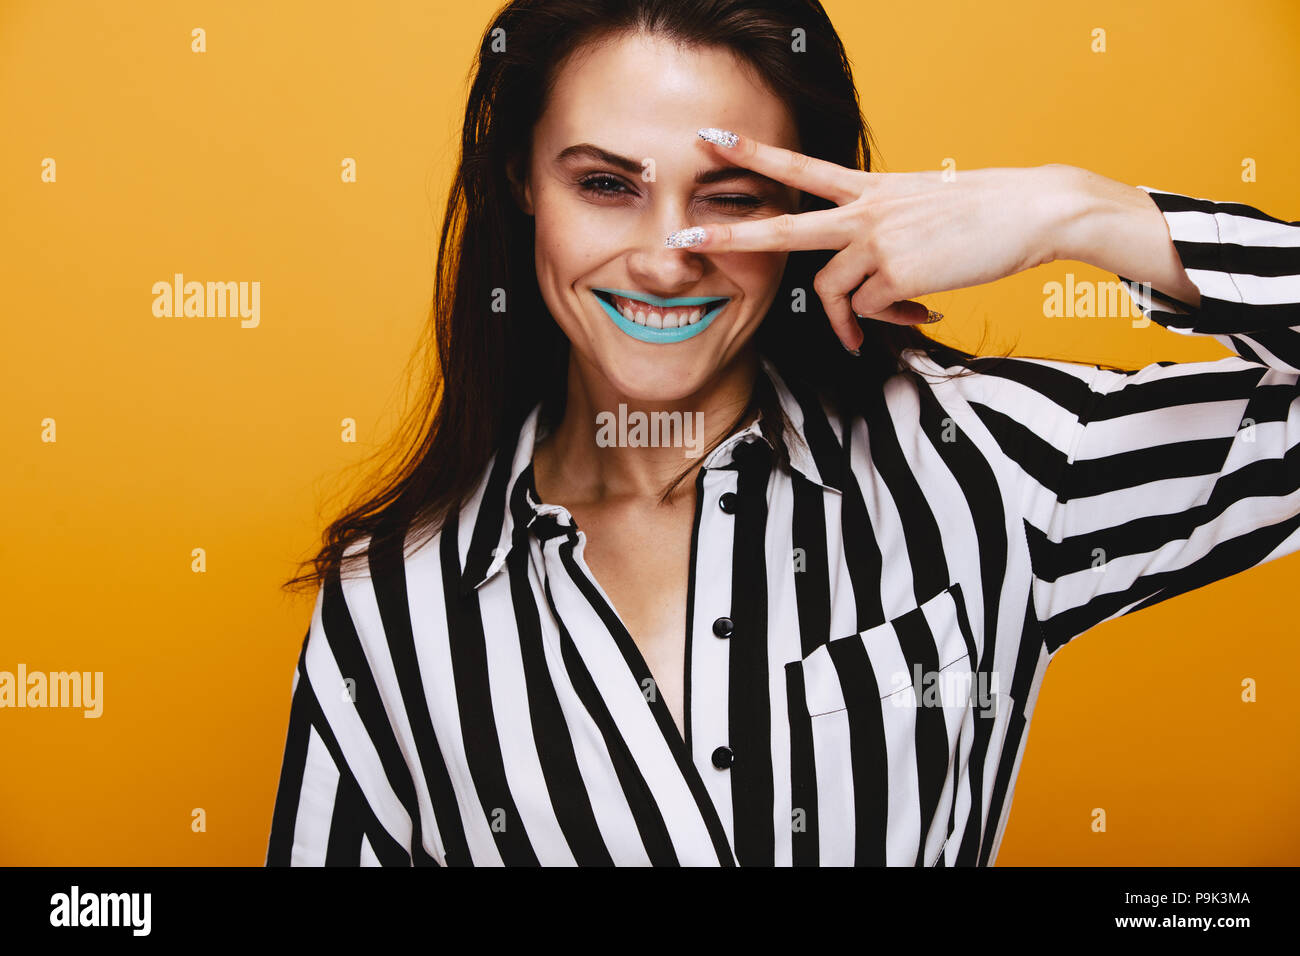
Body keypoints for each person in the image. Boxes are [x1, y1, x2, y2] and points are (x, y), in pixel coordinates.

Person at [267, 0, 1299, 865]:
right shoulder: (392, 598)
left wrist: (1080, 211)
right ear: (520, 186)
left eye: (733, 199)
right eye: (604, 184)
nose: (668, 260)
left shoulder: (981, 461)